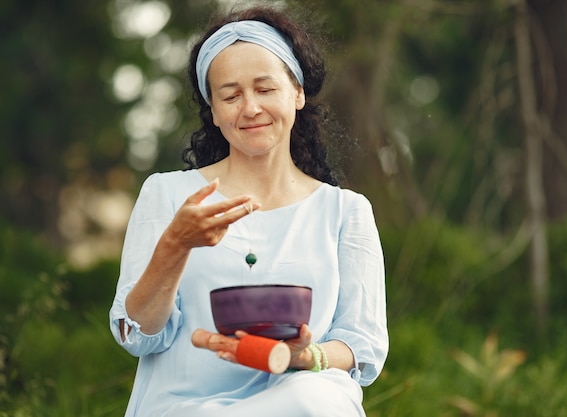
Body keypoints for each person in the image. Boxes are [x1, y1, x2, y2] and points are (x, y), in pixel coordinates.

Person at [109, 4, 388, 417]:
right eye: (231, 95)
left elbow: (360, 344)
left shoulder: (346, 211)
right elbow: (140, 335)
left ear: (297, 93)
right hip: (187, 408)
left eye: (265, 88)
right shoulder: (168, 195)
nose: (251, 108)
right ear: (214, 111)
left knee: (314, 398)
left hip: (303, 400)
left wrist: (304, 356)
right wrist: (175, 244)